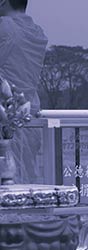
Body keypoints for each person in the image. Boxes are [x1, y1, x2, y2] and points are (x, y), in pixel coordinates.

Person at [0, 0, 47, 183]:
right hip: (29, 112)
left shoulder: (5, 26)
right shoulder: (36, 31)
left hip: (6, 111)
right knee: (23, 180)